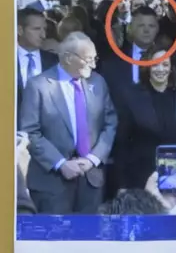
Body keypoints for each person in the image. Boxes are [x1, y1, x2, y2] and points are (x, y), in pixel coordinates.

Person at [20, 31, 118, 214]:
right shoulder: (38, 86)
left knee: (89, 239)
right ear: (67, 58)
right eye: (88, 59)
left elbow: (110, 123)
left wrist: (93, 159)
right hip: (51, 183)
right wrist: (60, 163)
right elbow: (30, 131)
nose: (94, 64)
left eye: (94, 58)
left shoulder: (98, 82)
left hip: (90, 182)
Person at [114, 45, 176, 190]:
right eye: (155, 64)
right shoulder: (130, 96)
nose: (160, 69)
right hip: (141, 179)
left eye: (165, 64)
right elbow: (122, 144)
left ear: (171, 68)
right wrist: (121, 185)